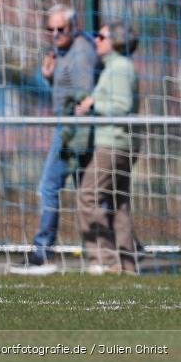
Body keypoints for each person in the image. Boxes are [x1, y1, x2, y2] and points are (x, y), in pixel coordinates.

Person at [11, 4, 97, 274]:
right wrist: (49, 77)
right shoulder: (64, 52)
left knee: (49, 187)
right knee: (91, 194)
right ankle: (119, 251)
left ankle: (42, 252)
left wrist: (73, 134)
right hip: (70, 127)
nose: (55, 34)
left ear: (74, 27)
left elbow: (83, 97)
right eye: (51, 29)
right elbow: (67, 90)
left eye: (61, 29)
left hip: (74, 130)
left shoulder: (80, 52)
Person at [76, 22, 141, 275]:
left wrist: (93, 104)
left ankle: (104, 258)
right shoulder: (114, 67)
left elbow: (121, 107)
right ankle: (126, 265)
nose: (96, 40)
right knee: (118, 204)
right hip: (117, 143)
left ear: (115, 41)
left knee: (87, 195)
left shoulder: (120, 67)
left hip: (114, 144)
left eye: (101, 37)